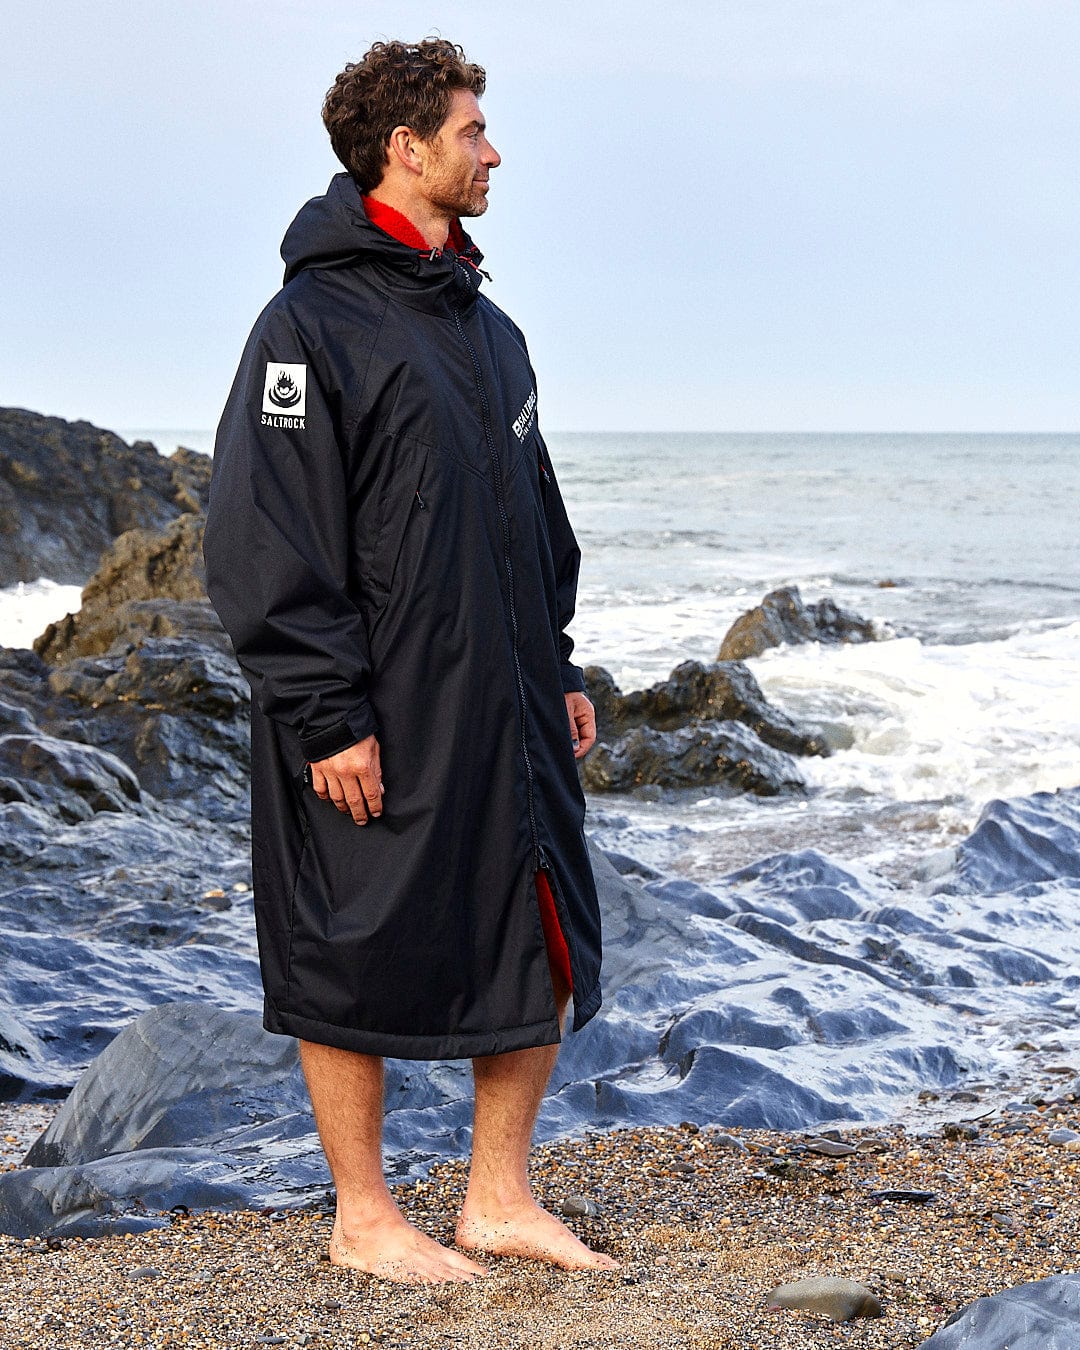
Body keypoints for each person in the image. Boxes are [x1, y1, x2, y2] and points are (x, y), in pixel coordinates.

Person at [203, 38, 614, 1284]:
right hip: (371, 708)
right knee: (351, 937)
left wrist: (557, 663)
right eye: (474, 130)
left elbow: (531, 513)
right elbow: (259, 532)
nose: (493, 151)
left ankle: (497, 1199)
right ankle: (364, 1214)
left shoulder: (492, 332)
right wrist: (326, 715)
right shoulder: (306, 324)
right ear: (408, 148)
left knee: (540, 927)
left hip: (507, 701)